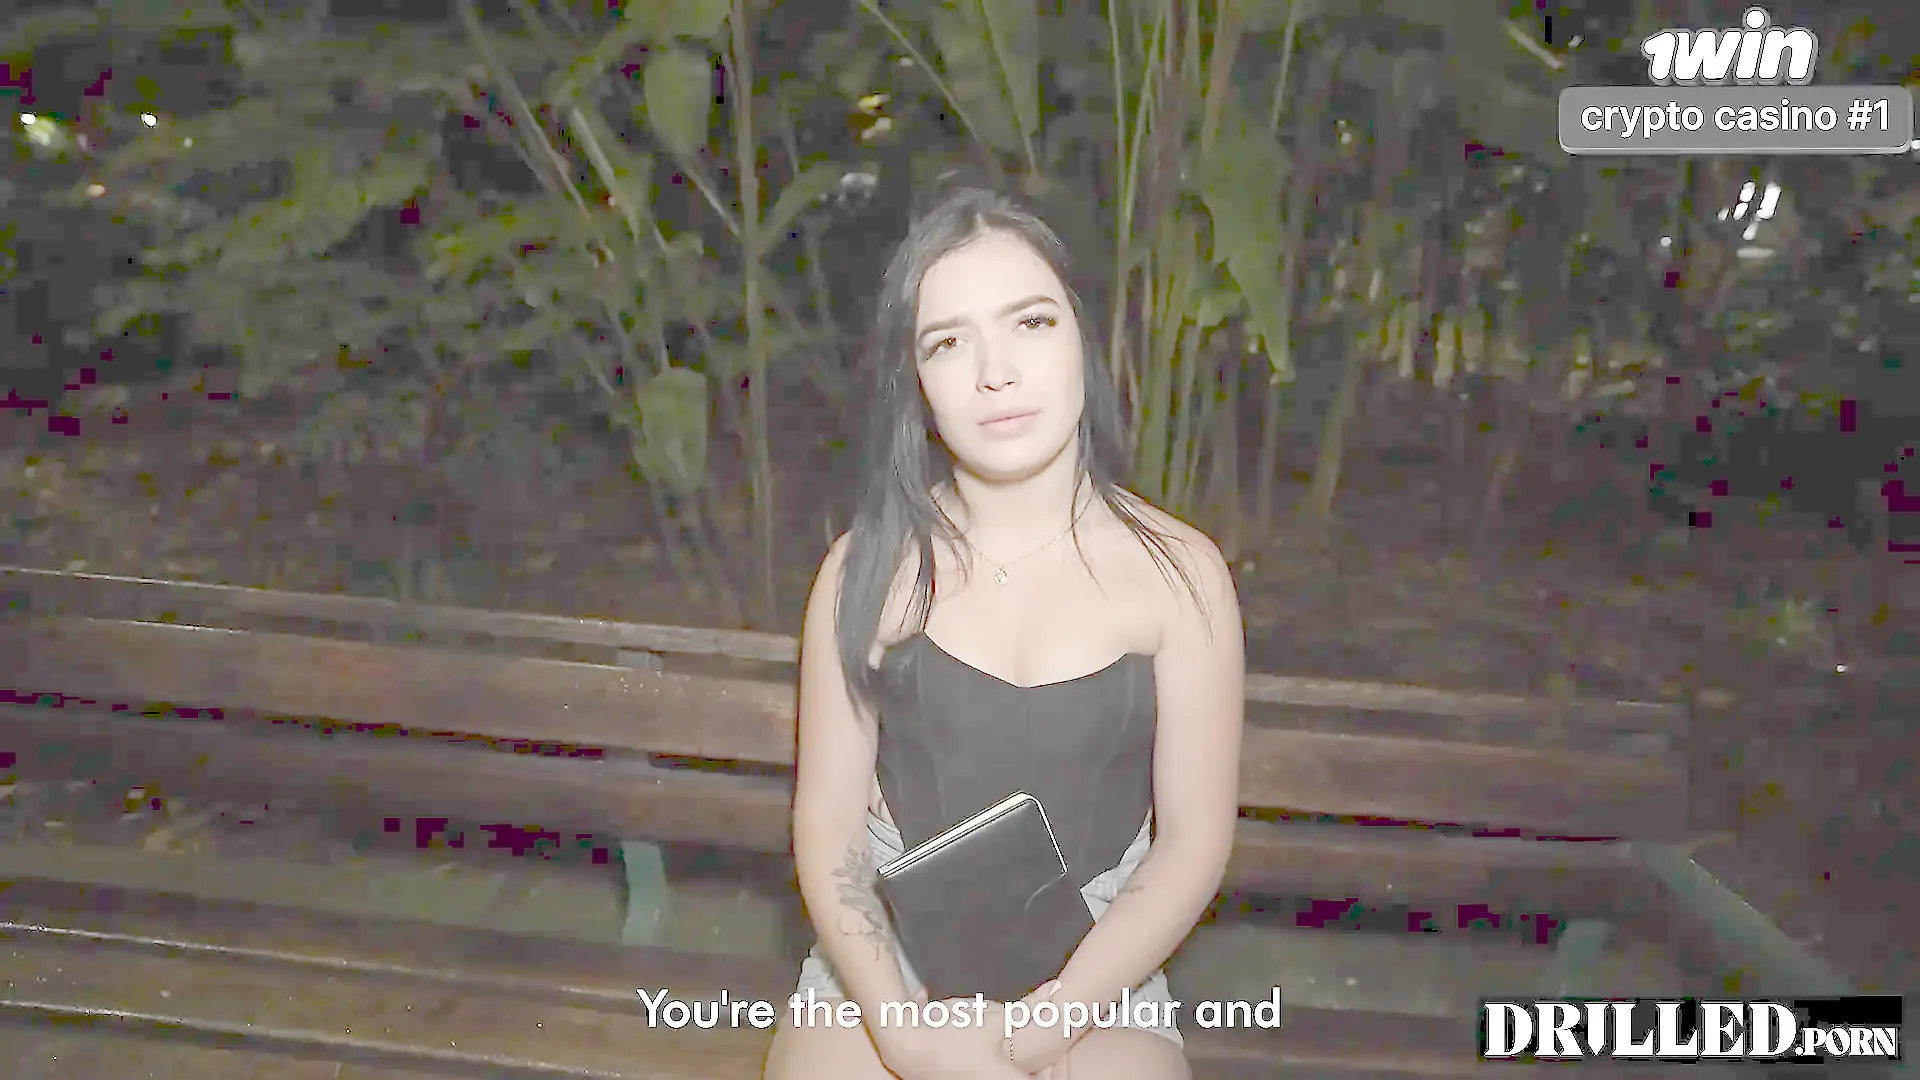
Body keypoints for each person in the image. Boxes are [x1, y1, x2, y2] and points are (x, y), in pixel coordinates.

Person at [763, 186, 1244, 1080]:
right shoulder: (867, 569)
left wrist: (1049, 1026)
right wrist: (904, 1033)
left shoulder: (1182, 576)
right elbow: (830, 829)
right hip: (888, 947)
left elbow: (1192, 843)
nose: (997, 372)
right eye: (948, 342)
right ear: (915, 382)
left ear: (1083, 339)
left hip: (1100, 952)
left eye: (1031, 322)